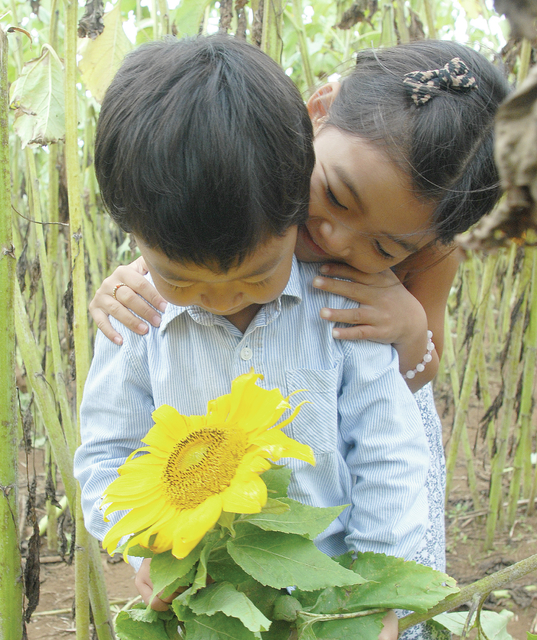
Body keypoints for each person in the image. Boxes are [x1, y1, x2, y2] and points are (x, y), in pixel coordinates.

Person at [89, 37, 510, 609]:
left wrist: (408, 327)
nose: (336, 239)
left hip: (351, 528)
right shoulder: (241, 163)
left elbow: (402, 421)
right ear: (315, 115)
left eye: (384, 246)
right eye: (335, 196)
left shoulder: (367, 295)